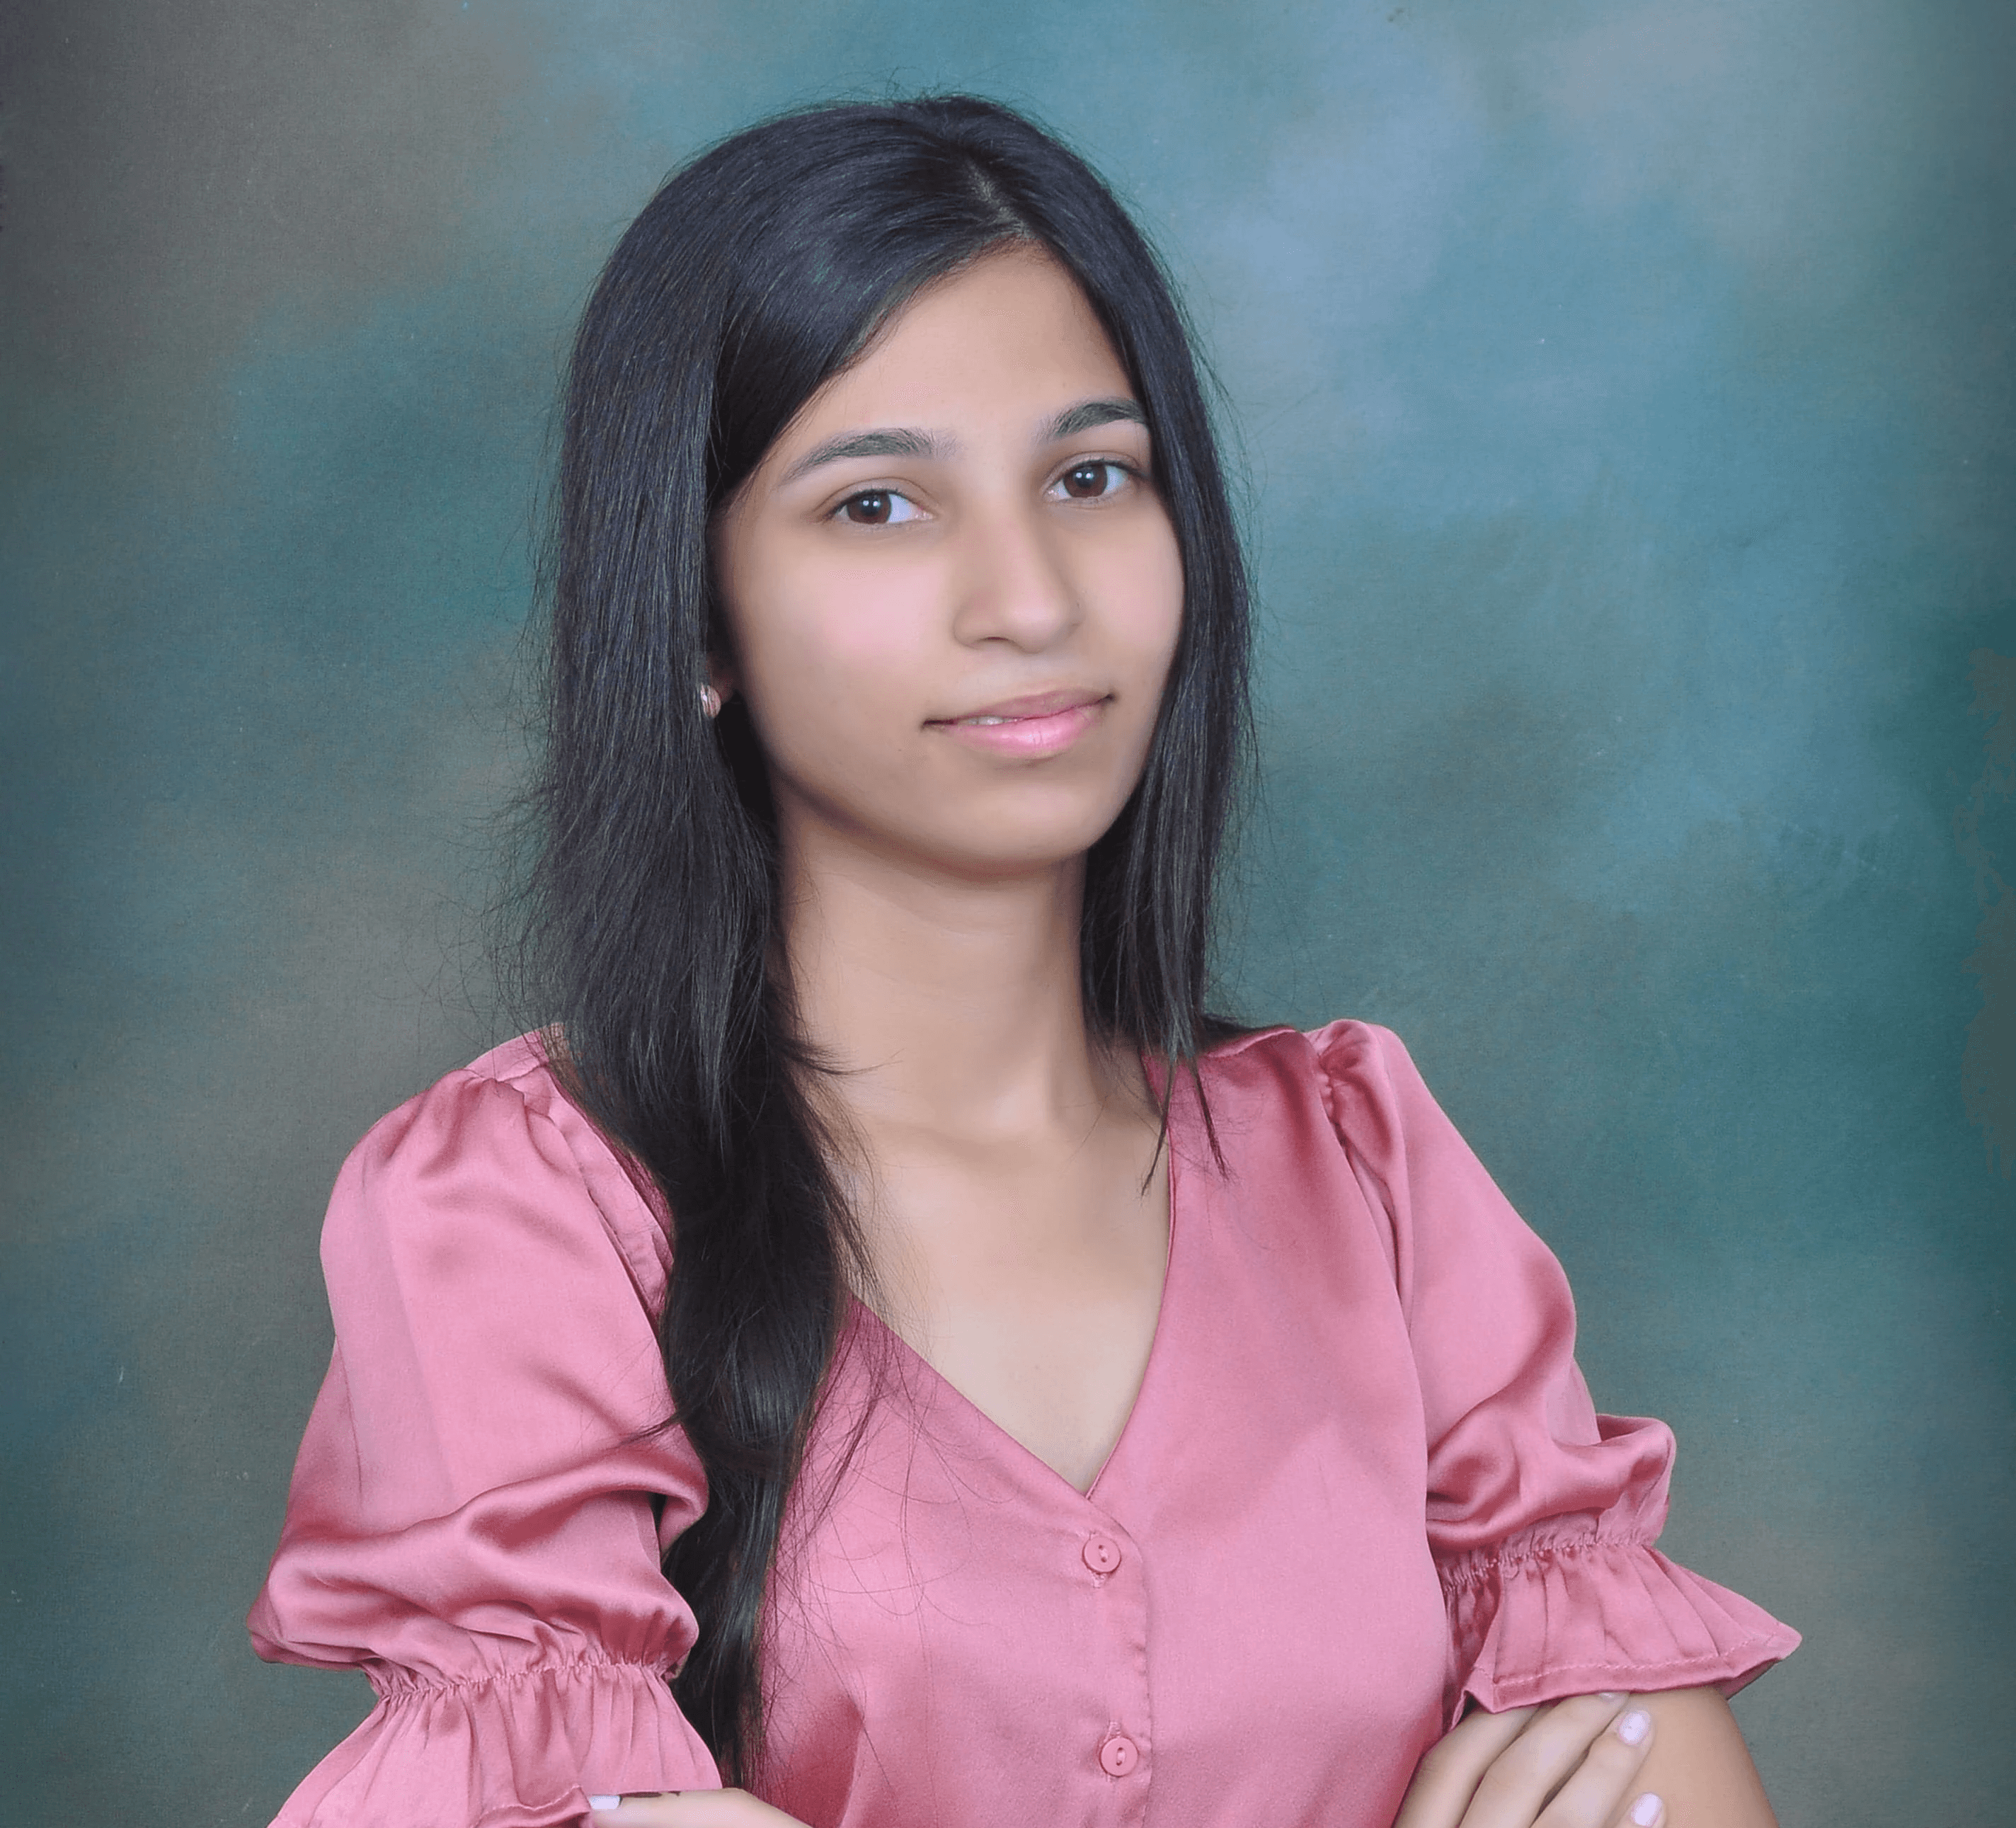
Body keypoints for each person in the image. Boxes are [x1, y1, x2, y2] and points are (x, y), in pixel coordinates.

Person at [247, 96, 1797, 1828]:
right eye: (879, 505)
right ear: (694, 624)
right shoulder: (520, 1207)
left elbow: (1667, 1787)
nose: (1029, 596)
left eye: (1088, 477)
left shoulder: (1363, 1162)